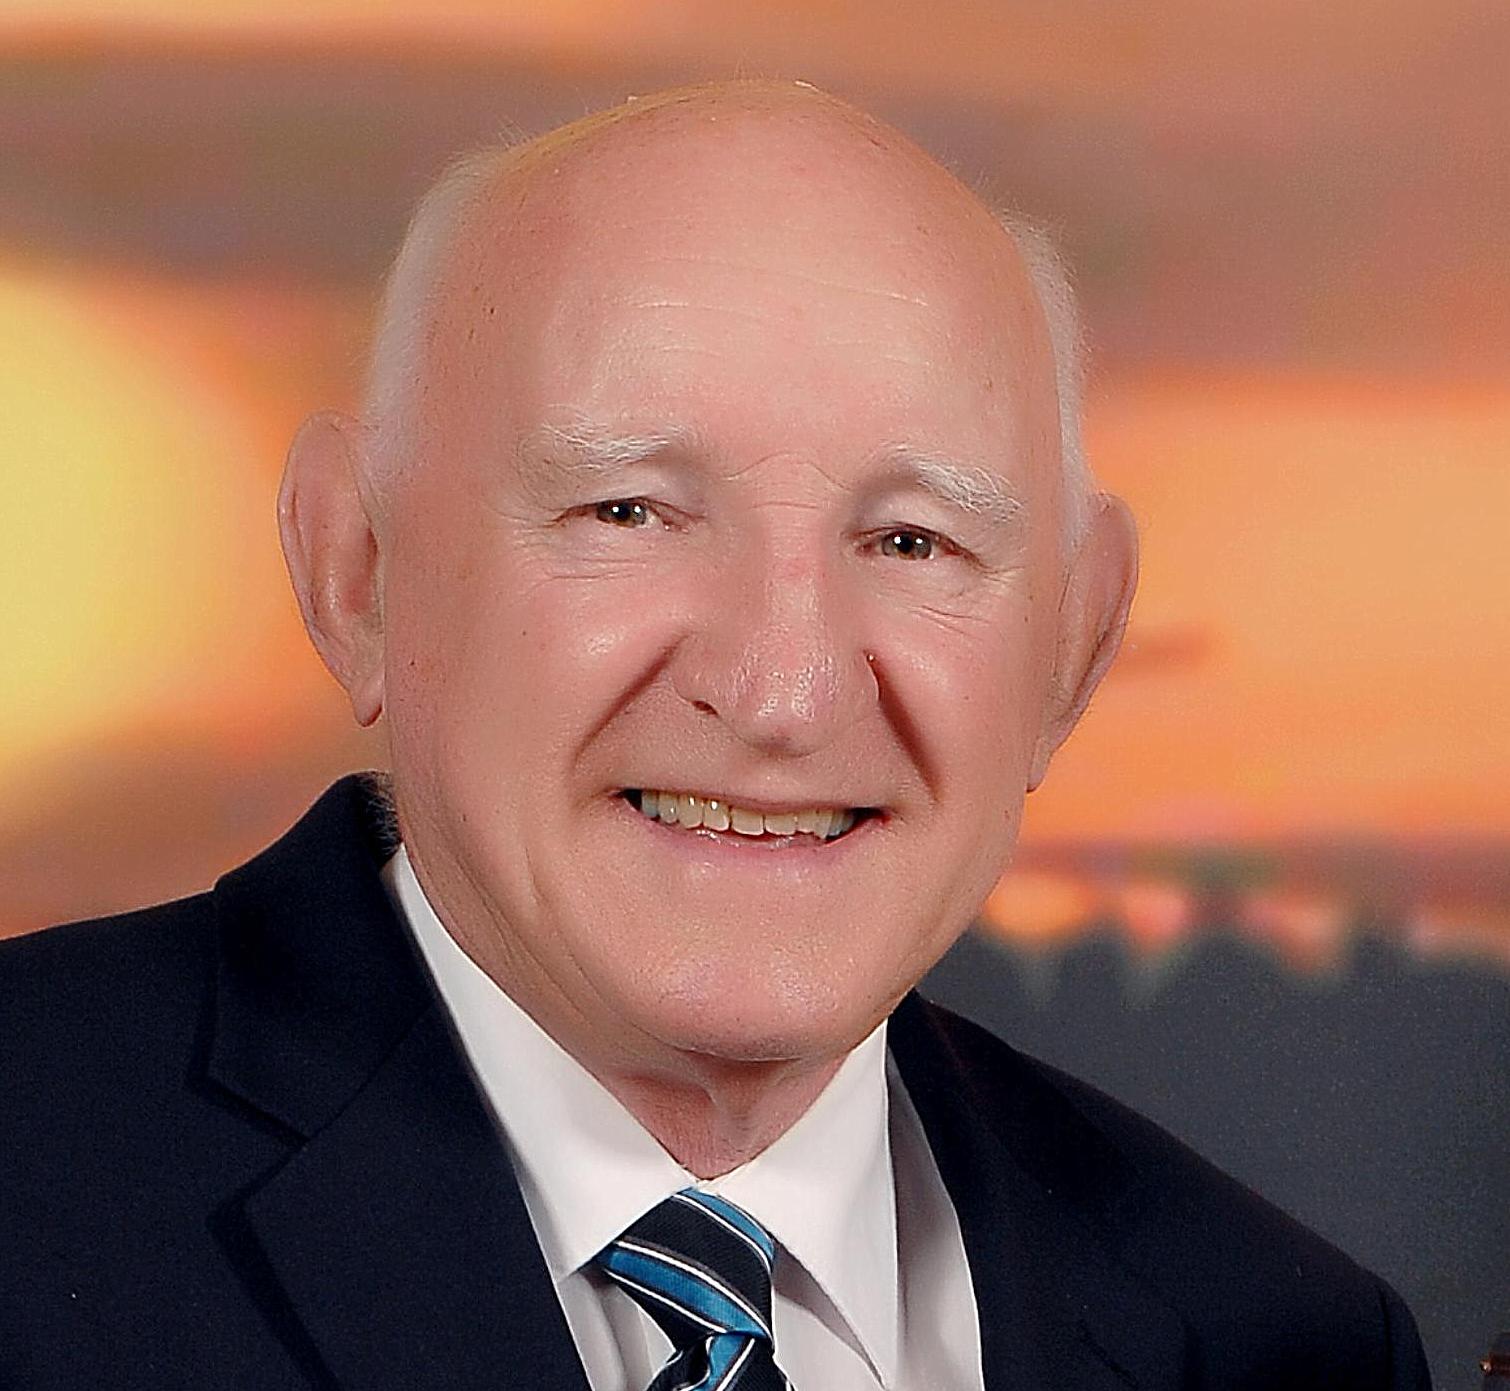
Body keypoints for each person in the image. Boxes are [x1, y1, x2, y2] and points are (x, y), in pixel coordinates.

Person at [0, 80, 1430, 1390]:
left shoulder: (1285, 1345)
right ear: (356, 573)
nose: (781, 695)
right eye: (626, 511)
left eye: (913, 541)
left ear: (1071, 647)